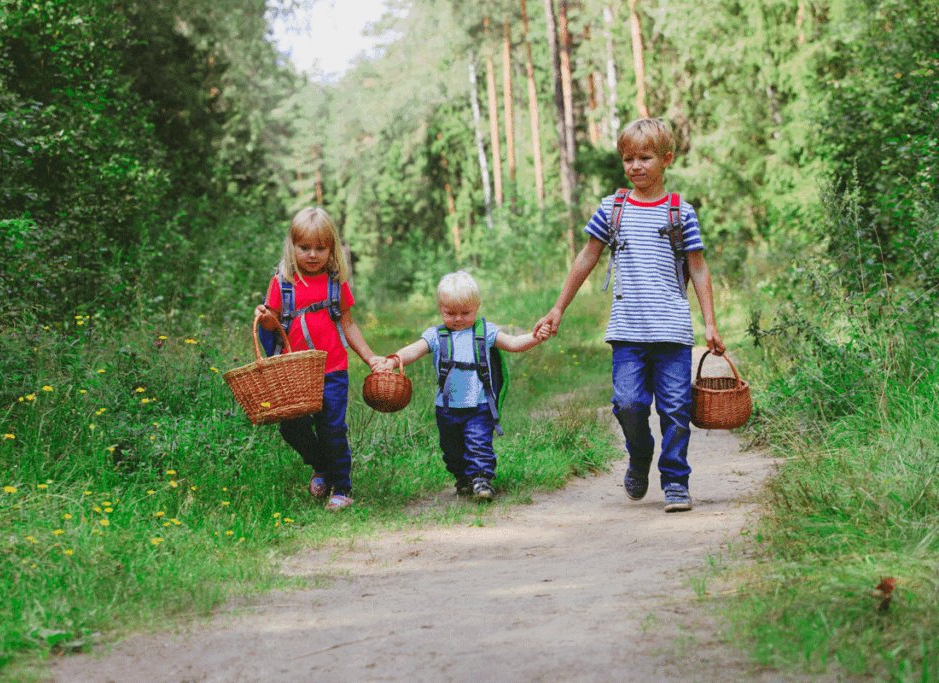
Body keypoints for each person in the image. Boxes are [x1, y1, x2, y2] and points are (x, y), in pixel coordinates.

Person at [533, 118, 725, 513]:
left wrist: (710, 322)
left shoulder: (680, 211)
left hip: (672, 330)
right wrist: (557, 308)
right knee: (628, 404)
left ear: (666, 159)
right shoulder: (613, 208)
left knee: (675, 408)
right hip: (627, 330)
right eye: (628, 159)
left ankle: (675, 481)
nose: (635, 166)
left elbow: (699, 267)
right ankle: (640, 456)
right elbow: (588, 256)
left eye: (645, 157)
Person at [255, 207, 387, 511]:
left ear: (332, 250)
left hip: (332, 369)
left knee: (332, 428)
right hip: (293, 372)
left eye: (320, 248)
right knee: (291, 426)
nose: (312, 255)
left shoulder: (334, 283)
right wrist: (264, 317)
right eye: (304, 248)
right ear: (292, 246)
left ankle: (342, 487)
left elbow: (348, 324)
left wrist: (370, 359)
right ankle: (320, 465)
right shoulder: (281, 283)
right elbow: (272, 324)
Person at [383, 270, 550, 501]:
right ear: (440, 308)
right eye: (450, 313)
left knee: (479, 444)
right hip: (446, 407)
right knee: (451, 450)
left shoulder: (485, 331)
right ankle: (462, 477)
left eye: (465, 312)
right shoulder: (435, 335)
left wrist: (536, 336)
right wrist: (393, 360)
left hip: (479, 405)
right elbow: (414, 349)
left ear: (477, 307)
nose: (458, 319)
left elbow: (513, 343)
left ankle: (482, 479)